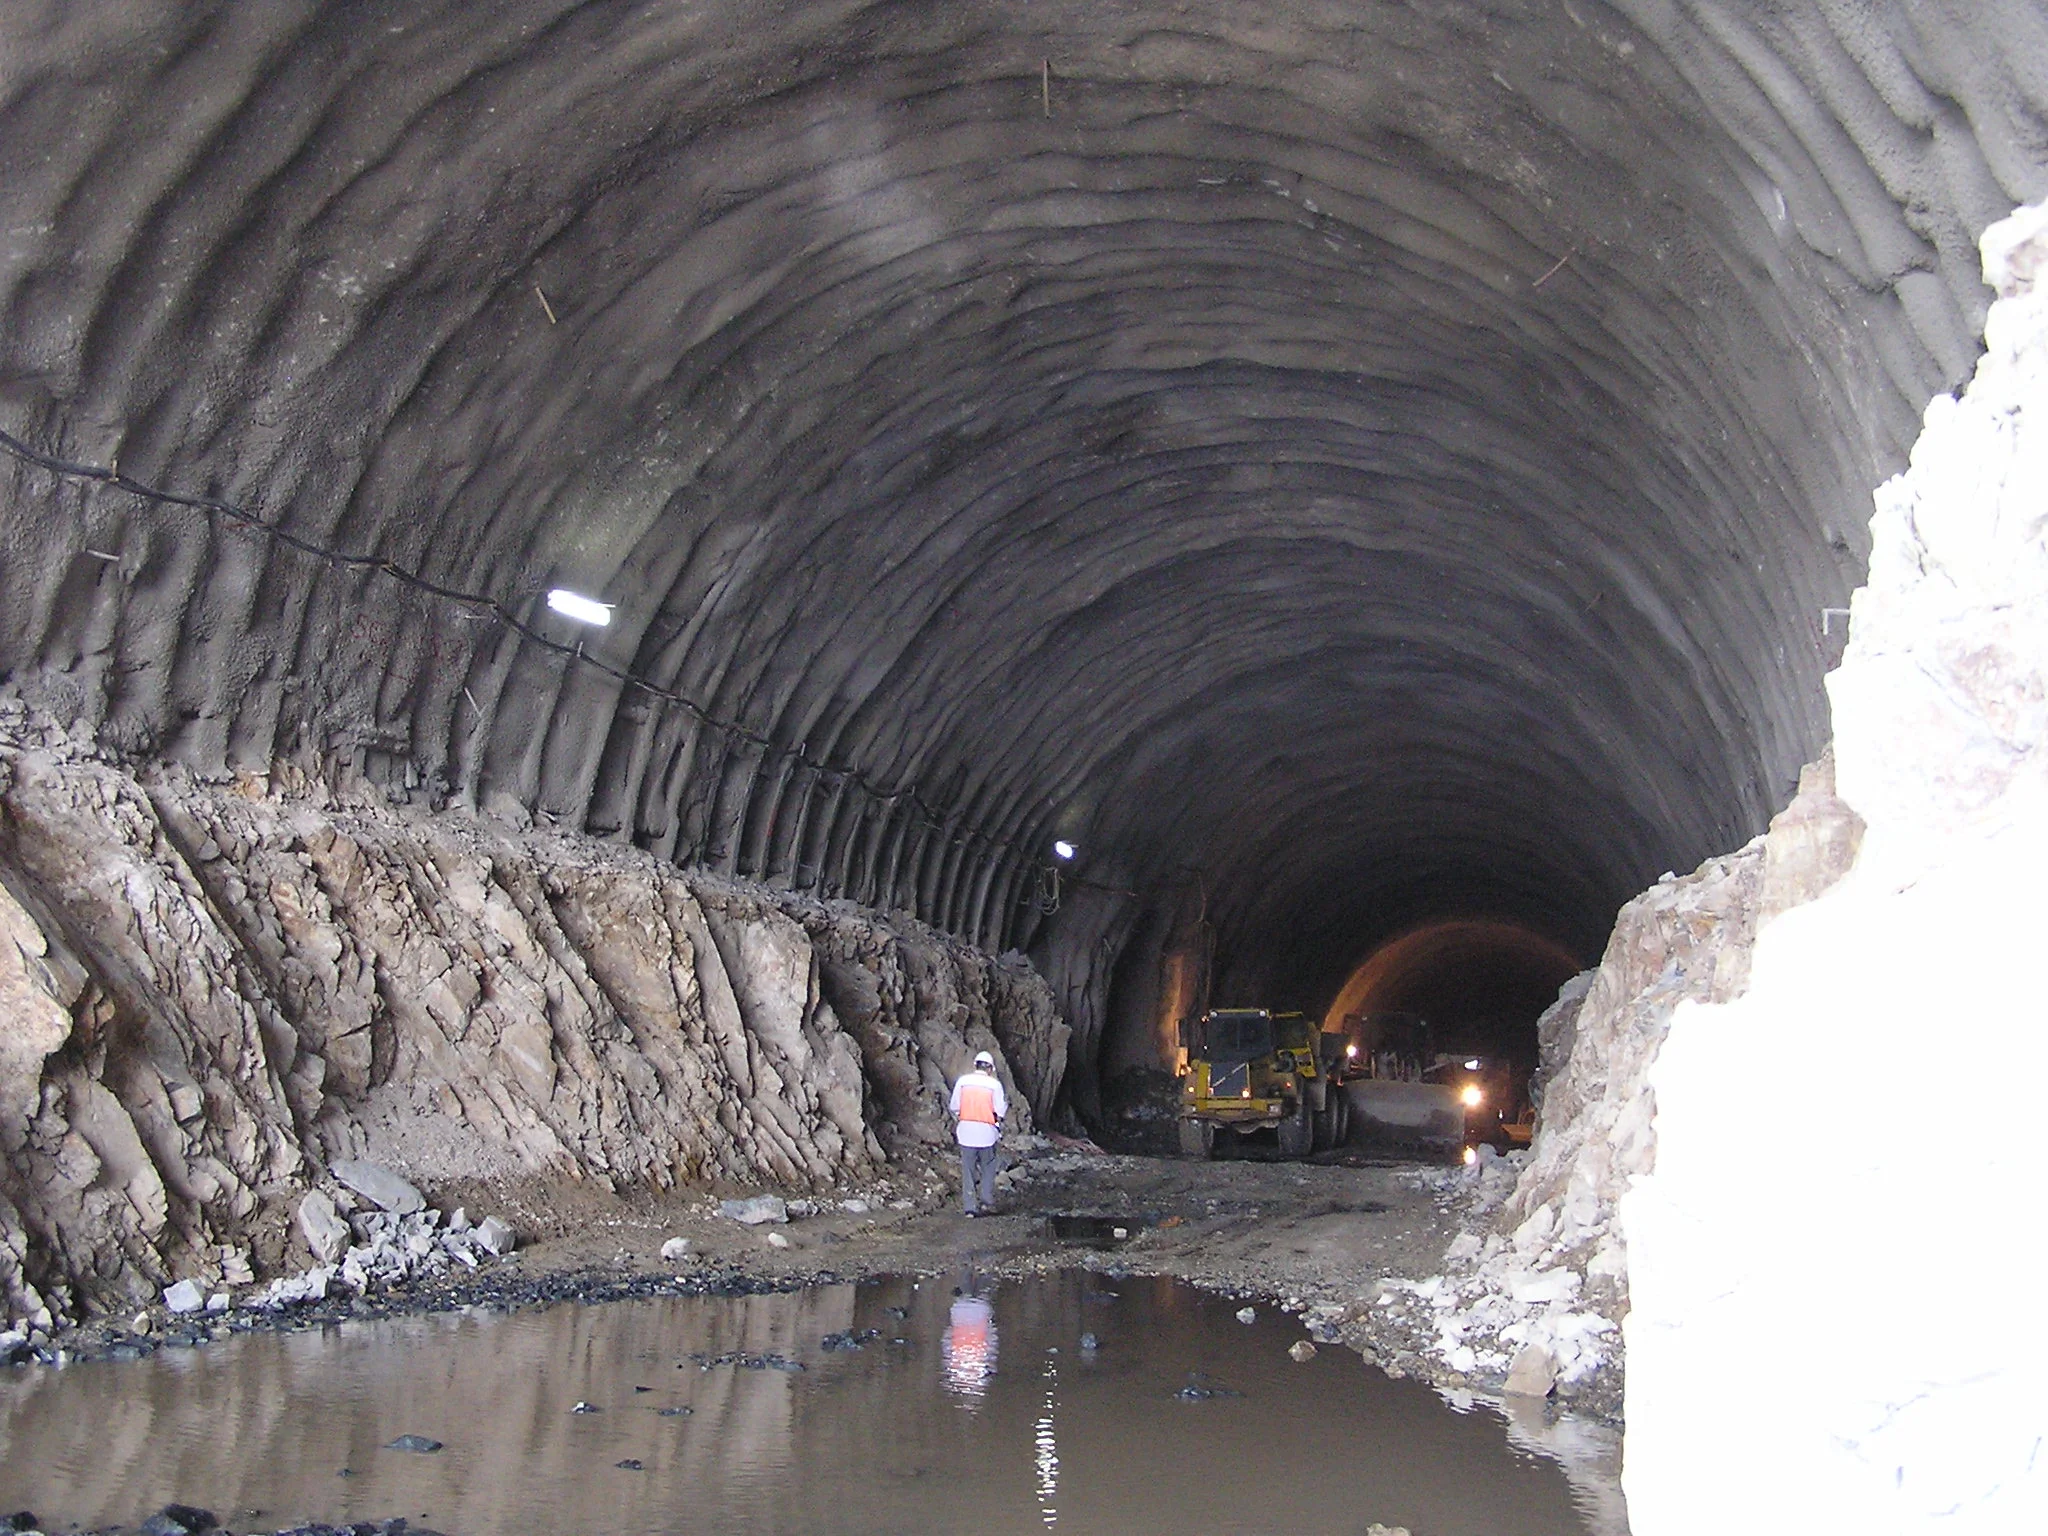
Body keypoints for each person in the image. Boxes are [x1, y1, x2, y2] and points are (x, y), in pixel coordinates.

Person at [948, 1050, 1008, 1216]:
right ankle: (987, 1201)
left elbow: (954, 1106)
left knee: (968, 1170)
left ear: (975, 1065)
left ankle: (970, 1208)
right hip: (987, 1134)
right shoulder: (994, 1085)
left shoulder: (963, 1081)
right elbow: (1000, 1111)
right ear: (990, 1068)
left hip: (966, 1133)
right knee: (988, 1168)